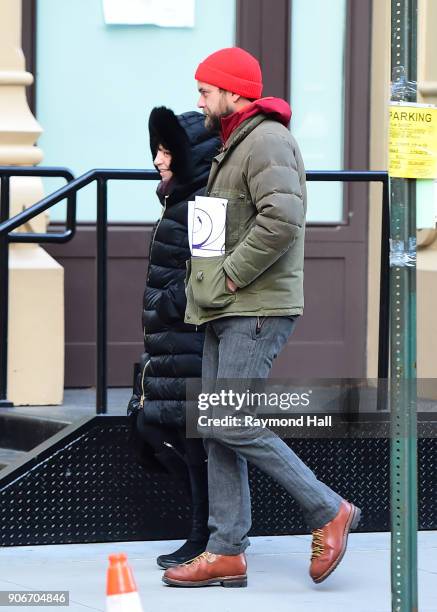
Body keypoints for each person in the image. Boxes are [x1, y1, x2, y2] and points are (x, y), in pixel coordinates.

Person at [162, 47, 361, 588]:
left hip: (254, 306)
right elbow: (228, 220)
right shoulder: (236, 141)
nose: (199, 99)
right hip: (225, 307)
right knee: (216, 425)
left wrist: (227, 276)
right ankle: (226, 550)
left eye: (205, 90)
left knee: (229, 419)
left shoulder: (267, 139)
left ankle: (327, 508)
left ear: (233, 92)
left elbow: (282, 221)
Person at [127, 106, 220, 568]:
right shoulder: (178, 197)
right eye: (157, 150)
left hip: (193, 341)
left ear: (188, 155)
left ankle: (206, 534)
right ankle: (208, 529)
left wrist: (166, 305)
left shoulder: (203, 202)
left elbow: (208, 276)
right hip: (170, 342)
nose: (158, 160)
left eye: (167, 151)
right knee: (154, 427)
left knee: (194, 442)